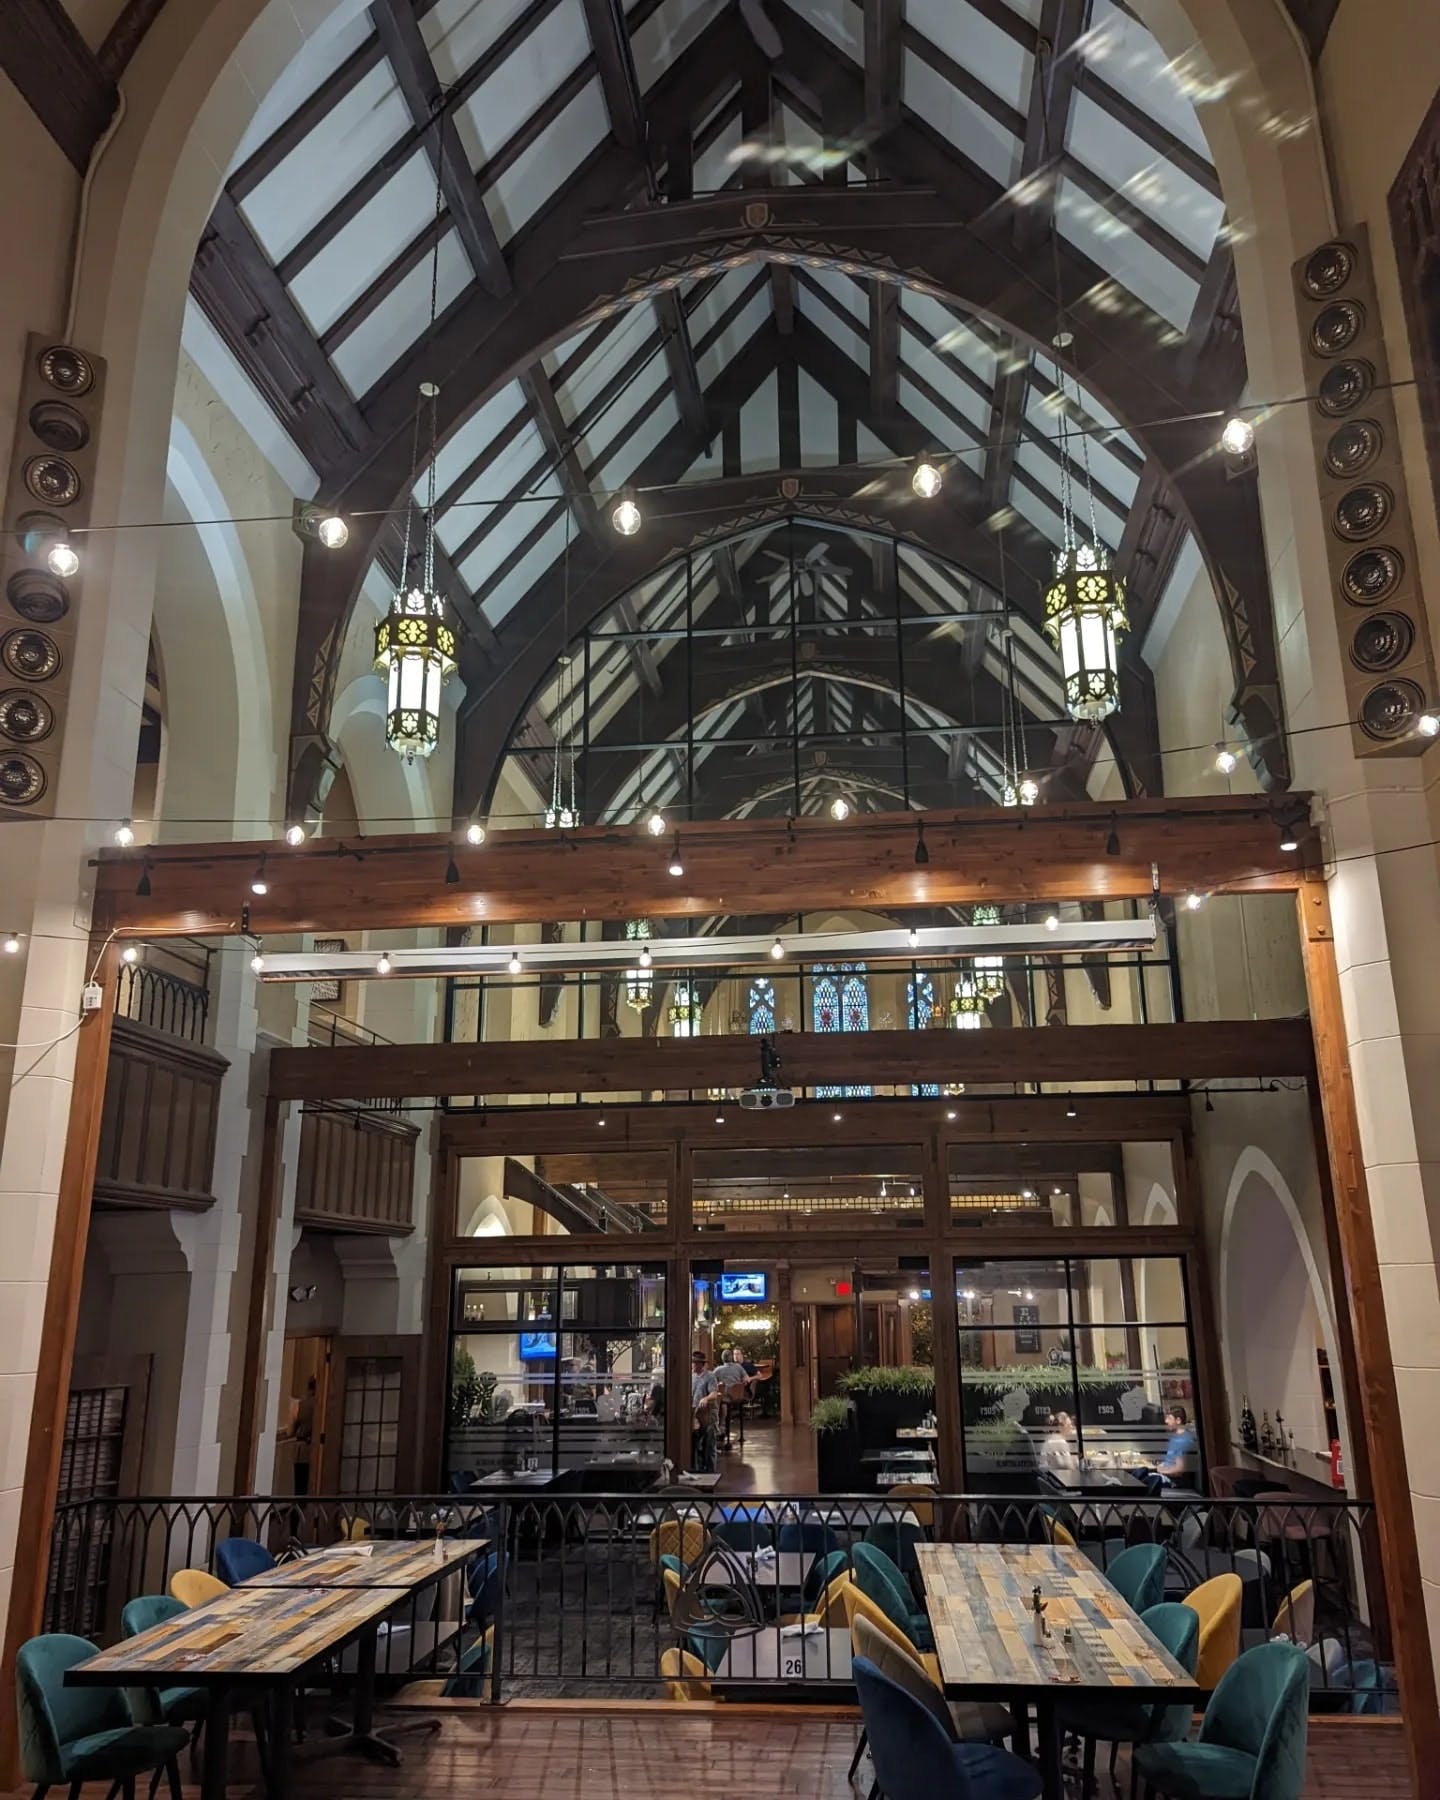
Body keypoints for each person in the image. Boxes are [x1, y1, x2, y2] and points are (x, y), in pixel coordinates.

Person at [690, 1350, 721, 1473]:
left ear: (700, 1364)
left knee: (709, 1444)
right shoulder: (691, 1377)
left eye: (694, 1362)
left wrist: (706, 1398)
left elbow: (714, 1393)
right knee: (695, 1444)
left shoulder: (710, 1376)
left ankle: (710, 1472)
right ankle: (696, 1469)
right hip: (694, 1414)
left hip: (708, 1414)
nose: (692, 1365)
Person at [1156, 1404, 1198, 1484]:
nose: (1166, 1421)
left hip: (1173, 1482)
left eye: (1169, 1418)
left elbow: (1179, 1470)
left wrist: (1161, 1470)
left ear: (1178, 1420)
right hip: (1165, 1476)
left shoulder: (1184, 1440)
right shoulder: (1175, 1437)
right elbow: (1170, 1461)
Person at [290, 1375, 317, 1497]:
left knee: (300, 1488)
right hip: (320, 1450)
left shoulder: (298, 1406)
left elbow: (289, 1431)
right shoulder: (324, 1406)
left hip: (302, 1451)